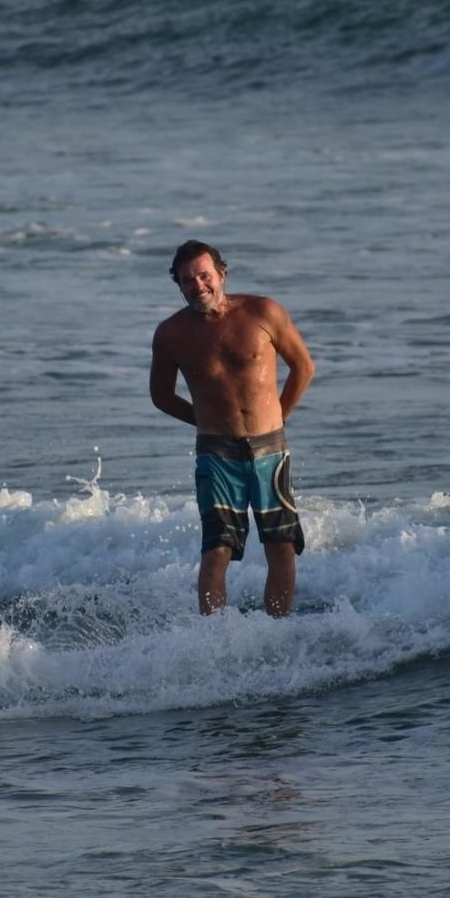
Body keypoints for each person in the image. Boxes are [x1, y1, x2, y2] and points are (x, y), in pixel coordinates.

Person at [150, 240, 315, 616]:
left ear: (221, 274)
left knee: (281, 544)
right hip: (216, 453)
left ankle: (277, 630)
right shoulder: (171, 334)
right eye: (188, 280)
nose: (199, 286)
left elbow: (303, 367)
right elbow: (161, 396)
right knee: (217, 548)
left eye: (205, 276)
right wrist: (206, 422)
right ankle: (214, 639)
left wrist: (279, 415)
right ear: (178, 284)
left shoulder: (263, 311)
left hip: (270, 448)